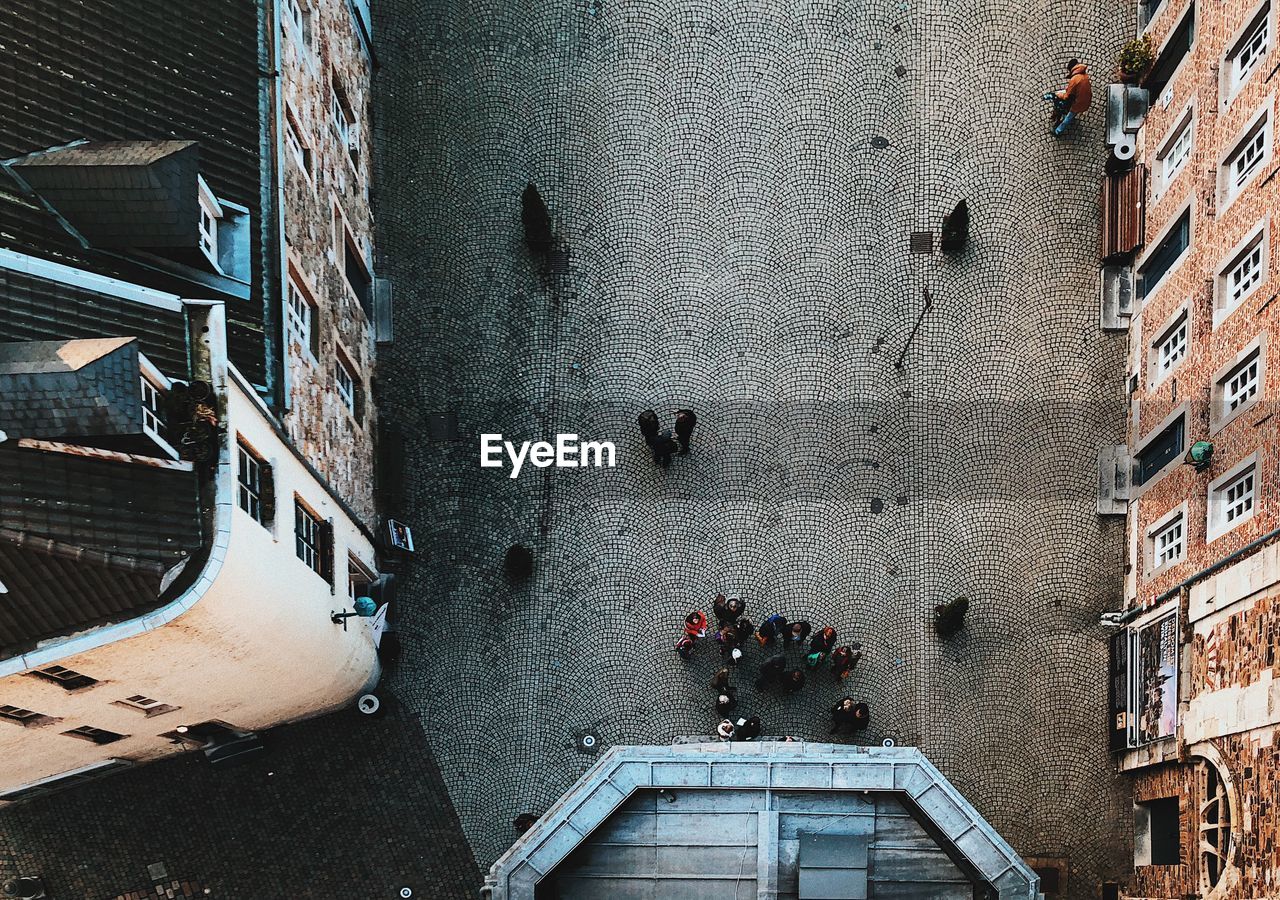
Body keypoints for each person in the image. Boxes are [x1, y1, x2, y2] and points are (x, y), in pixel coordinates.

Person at [1044, 59, 1092, 137]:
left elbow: (1067, 96)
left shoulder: (1074, 80)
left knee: (1068, 117)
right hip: (1085, 99)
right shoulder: (1084, 75)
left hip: (1078, 103)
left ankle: (1058, 131)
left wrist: (1058, 95)